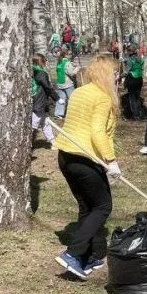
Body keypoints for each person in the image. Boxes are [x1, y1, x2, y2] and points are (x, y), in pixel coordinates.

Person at [53, 55, 122, 279]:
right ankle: (73, 254)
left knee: (87, 206)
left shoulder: (80, 92)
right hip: (83, 158)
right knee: (103, 206)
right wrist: (111, 161)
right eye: (115, 73)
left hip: (66, 157)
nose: (117, 77)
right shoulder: (102, 98)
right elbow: (96, 132)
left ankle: (88, 256)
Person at [31, 54, 60, 145]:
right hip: (39, 101)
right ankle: (25, 143)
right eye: (45, 61)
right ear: (40, 62)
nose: (46, 62)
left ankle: (52, 141)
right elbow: (48, 87)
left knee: (45, 122)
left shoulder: (32, 70)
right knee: (34, 124)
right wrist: (57, 98)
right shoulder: (41, 73)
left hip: (39, 101)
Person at [54, 49, 80, 119]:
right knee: (72, 98)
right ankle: (75, 113)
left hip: (59, 83)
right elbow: (71, 73)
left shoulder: (59, 62)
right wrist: (77, 68)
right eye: (70, 54)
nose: (71, 55)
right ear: (66, 55)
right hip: (67, 84)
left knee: (61, 99)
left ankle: (58, 114)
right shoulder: (67, 63)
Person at [123, 46, 146, 119]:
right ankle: (139, 113)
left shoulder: (130, 60)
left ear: (130, 52)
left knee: (132, 98)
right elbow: (139, 67)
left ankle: (134, 115)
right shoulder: (141, 59)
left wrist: (120, 75)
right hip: (139, 79)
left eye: (127, 51)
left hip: (132, 79)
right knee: (137, 97)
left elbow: (126, 71)